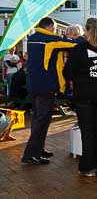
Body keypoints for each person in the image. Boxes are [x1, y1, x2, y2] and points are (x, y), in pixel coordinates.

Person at [63, 18, 97, 177]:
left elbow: (68, 73)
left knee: (88, 131)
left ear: (85, 31)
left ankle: (88, 167)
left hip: (85, 96)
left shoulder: (79, 49)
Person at [22, 17, 76, 165]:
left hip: (33, 84)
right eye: (54, 29)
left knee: (37, 118)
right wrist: (82, 38)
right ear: (51, 27)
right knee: (42, 120)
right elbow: (73, 44)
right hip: (45, 86)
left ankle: (38, 149)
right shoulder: (49, 40)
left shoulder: (32, 38)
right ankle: (31, 154)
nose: (54, 31)